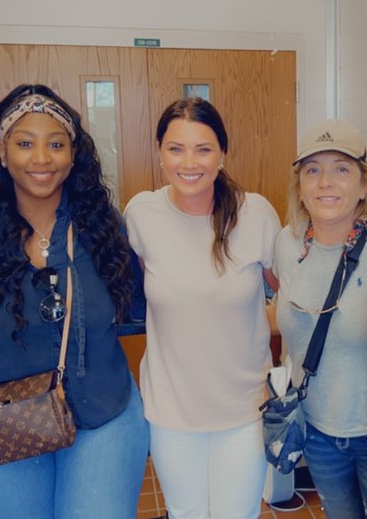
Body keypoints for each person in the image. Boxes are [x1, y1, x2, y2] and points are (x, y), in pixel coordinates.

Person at [0, 84, 149, 519]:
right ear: (1, 151)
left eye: (56, 144)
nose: (41, 158)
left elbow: (140, 304)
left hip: (102, 412)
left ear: (73, 154)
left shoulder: (102, 224)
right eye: (25, 143)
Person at [124, 97, 280, 518]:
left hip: (245, 408)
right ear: (159, 153)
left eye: (203, 148)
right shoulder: (141, 214)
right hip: (171, 411)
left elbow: (293, 299)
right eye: (176, 148)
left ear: (222, 153)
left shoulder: (256, 214)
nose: (188, 162)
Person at [271, 119, 367, 517]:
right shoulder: (287, 244)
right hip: (318, 434)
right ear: (300, 186)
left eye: (341, 169)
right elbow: (286, 315)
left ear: (363, 185)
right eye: (313, 170)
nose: (326, 182)